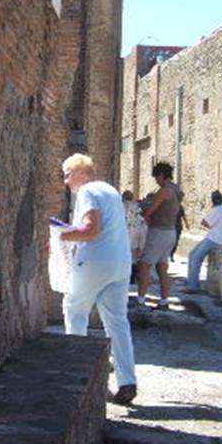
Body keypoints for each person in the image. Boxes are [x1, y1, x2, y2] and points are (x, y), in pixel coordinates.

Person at [58, 154, 138, 405]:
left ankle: (78, 375)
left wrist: (62, 235)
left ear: (80, 173)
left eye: (67, 174)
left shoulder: (87, 191)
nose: (65, 181)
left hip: (95, 261)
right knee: (117, 321)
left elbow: (91, 230)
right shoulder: (111, 190)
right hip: (121, 262)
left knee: (74, 309)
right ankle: (127, 381)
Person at [137, 162, 182, 308]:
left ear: (162, 175)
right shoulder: (177, 189)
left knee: (144, 266)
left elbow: (151, 210)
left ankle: (141, 300)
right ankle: (164, 301)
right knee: (162, 268)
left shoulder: (164, 190)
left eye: (157, 177)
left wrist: (143, 207)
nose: (156, 181)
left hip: (159, 232)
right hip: (171, 231)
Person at [185, 190, 222, 292]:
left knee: (195, 258)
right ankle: (191, 282)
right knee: (192, 255)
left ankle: (192, 286)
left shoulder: (217, 210)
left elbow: (206, 223)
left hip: (213, 239)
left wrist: (205, 221)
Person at [121, 190, 146, 284]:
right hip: (137, 232)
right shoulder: (137, 207)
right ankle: (132, 277)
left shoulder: (119, 207)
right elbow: (141, 221)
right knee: (134, 256)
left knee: (124, 256)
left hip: (124, 235)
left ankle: (125, 277)